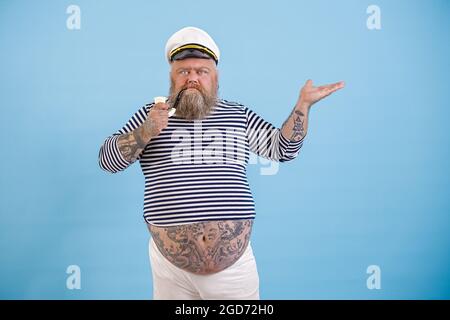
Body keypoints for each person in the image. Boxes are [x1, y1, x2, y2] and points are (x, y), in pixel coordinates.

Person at [98, 26, 344, 300]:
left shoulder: (237, 115)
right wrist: (145, 132)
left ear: (215, 78)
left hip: (232, 272)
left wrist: (303, 106)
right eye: (184, 71)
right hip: (170, 270)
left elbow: (282, 149)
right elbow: (108, 161)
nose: (192, 78)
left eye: (201, 71)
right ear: (171, 77)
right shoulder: (152, 115)